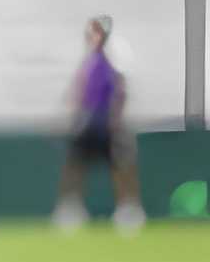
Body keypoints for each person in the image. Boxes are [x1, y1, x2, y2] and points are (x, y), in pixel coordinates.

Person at [52, 16, 145, 232]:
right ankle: (71, 208)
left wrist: (115, 119)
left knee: (121, 165)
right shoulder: (89, 62)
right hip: (88, 120)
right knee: (76, 165)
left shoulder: (115, 59)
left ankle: (129, 209)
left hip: (107, 121)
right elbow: (80, 91)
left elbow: (120, 91)